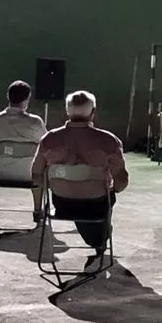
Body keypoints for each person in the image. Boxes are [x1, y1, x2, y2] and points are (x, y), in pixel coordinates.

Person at [31, 90, 129, 267]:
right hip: (96, 205)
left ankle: (98, 238)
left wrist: (55, 184)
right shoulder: (109, 141)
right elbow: (121, 181)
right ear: (93, 112)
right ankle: (101, 238)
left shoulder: (49, 139)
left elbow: (36, 175)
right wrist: (113, 189)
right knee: (108, 197)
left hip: (62, 204)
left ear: (67, 112)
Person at [0, 80, 48, 222]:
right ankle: (37, 210)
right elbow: (46, 146)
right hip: (31, 175)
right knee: (40, 169)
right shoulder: (35, 122)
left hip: (2, 174)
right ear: (28, 98)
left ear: (8, 96)